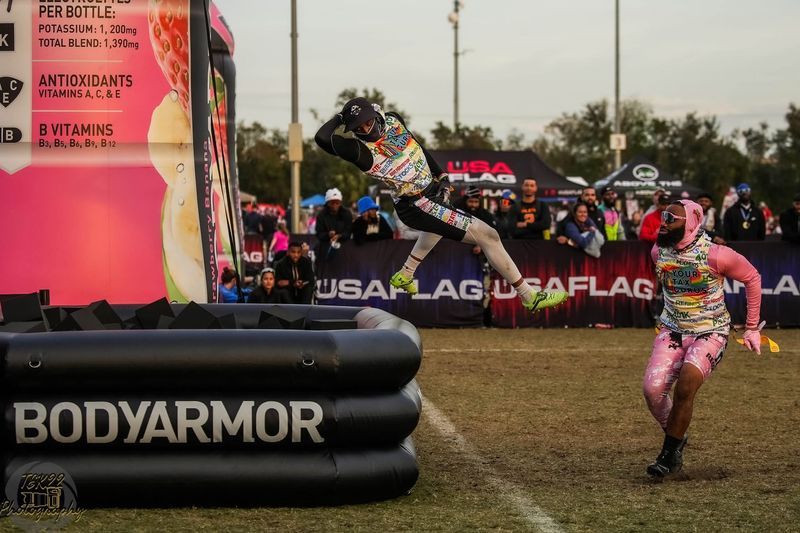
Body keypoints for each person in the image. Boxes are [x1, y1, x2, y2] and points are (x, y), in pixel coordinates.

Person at [314, 96, 567, 313]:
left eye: (368, 121)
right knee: (489, 235)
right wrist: (342, 117)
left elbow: (417, 147)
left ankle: (406, 273)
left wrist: (441, 174)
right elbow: (322, 138)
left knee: (437, 228)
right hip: (416, 204)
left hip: (431, 192)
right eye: (359, 127)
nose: (367, 128)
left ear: (376, 113)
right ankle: (528, 295)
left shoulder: (392, 119)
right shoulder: (360, 151)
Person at [643, 199, 763, 478]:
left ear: (692, 222)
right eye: (664, 216)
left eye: (672, 218)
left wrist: (752, 327)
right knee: (651, 390)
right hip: (672, 330)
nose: (664, 222)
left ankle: (668, 455)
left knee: (685, 386)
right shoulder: (657, 252)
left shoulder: (716, 254)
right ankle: (677, 436)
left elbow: (753, 278)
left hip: (710, 332)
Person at [455, 186, 496, 256]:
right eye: (470, 201)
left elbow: (492, 233)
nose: (473, 205)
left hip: (480, 254)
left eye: (476, 202)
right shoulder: (457, 212)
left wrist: (481, 245)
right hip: (455, 249)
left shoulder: (486, 215)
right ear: (465, 201)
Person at [315, 188, 353, 260]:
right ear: (327, 203)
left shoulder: (347, 213)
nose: (335, 205)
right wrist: (328, 235)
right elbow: (319, 233)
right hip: (325, 249)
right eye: (332, 203)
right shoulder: (321, 215)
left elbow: (349, 231)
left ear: (340, 203)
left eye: (337, 203)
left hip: (344, 248)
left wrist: (339, 236)